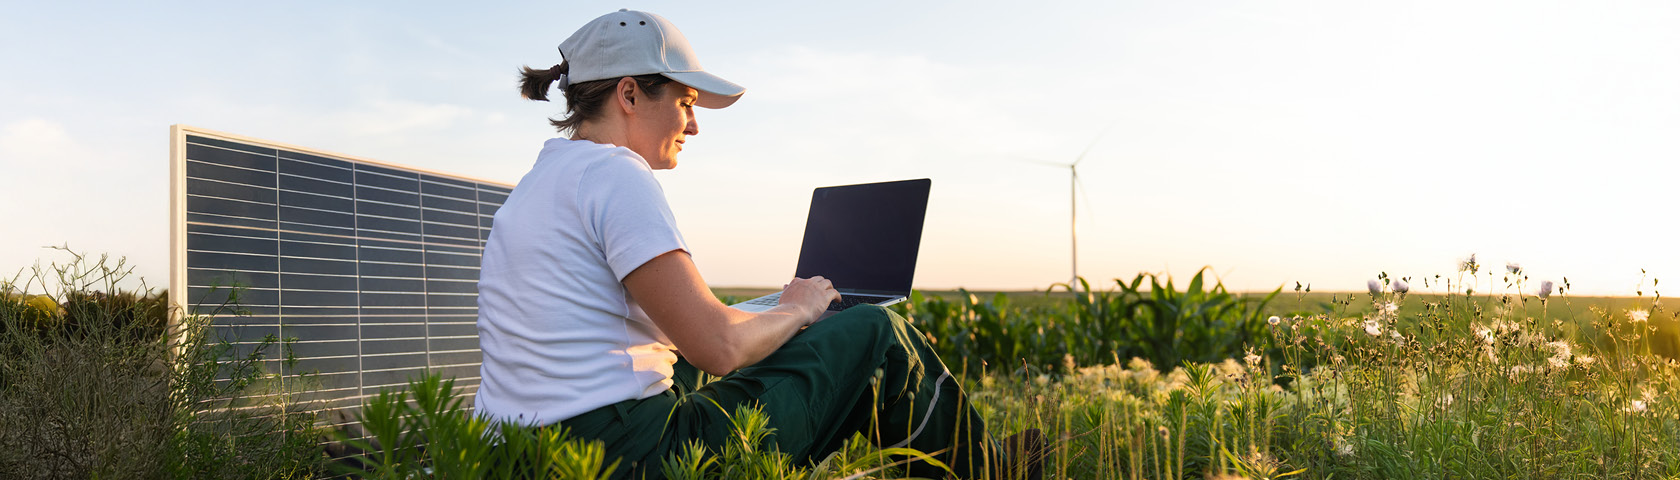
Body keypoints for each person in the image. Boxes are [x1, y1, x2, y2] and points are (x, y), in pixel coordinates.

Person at [473, 9, 1042, 479]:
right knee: (874, 332)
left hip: (521, 453)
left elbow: (660, 331)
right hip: (624, 456)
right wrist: (798, 308)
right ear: (628, 94)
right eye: (686, 101)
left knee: (775, 334)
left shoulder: (538, 185)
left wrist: (777, 313)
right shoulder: (616, 175)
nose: (693, 125)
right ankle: (992, 471)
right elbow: (718, 349)